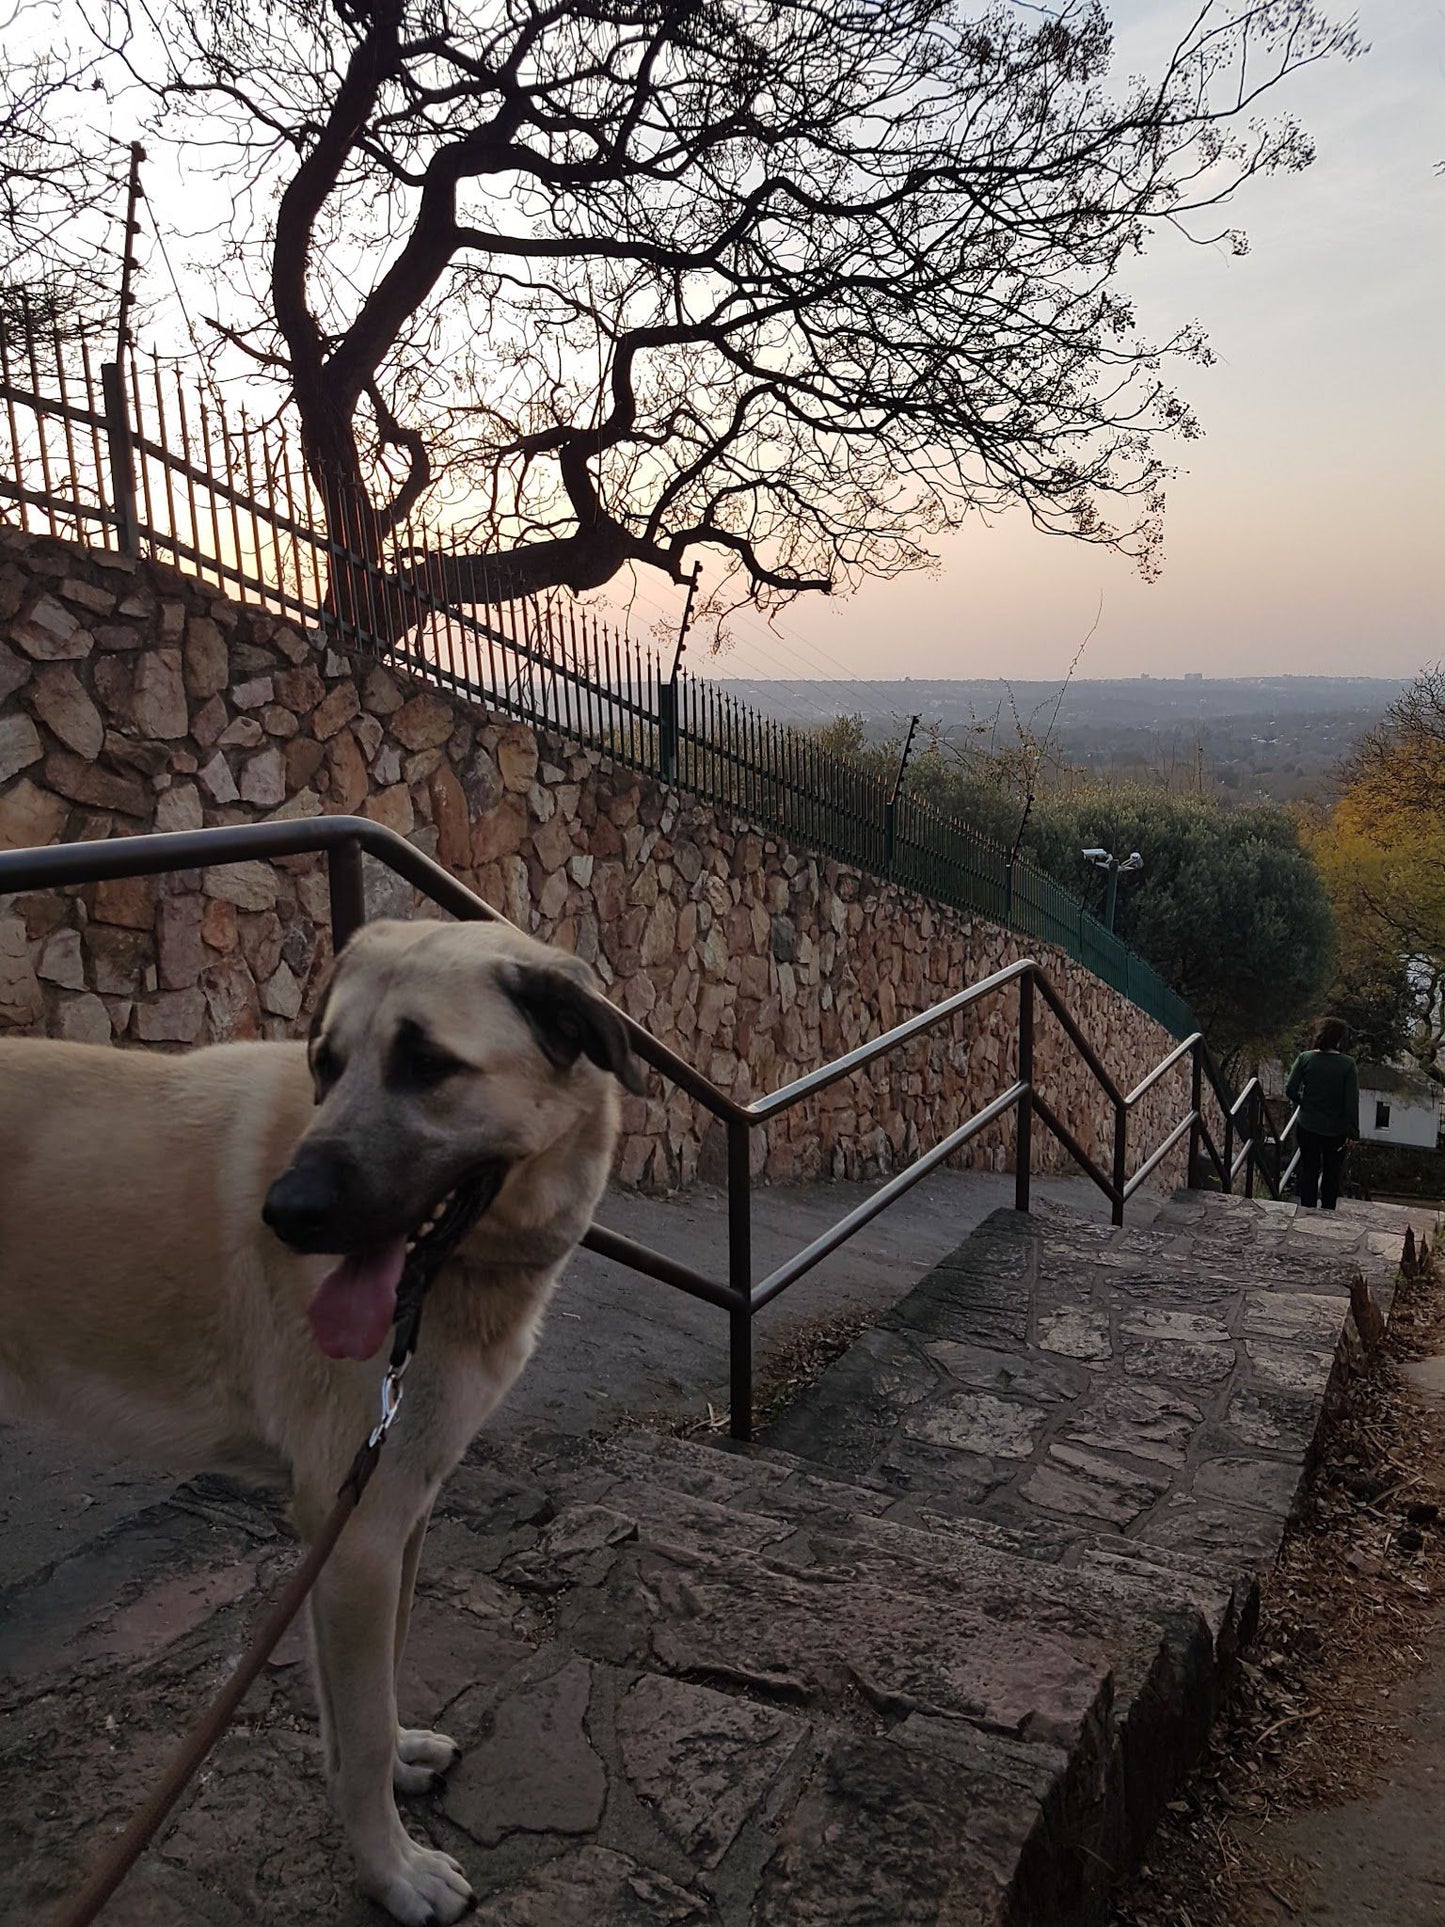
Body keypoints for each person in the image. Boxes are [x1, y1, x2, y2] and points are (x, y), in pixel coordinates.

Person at [1284, 1017, 1359, 1211]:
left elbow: (1290, 1089)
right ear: (1339, 1039)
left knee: (1309, 1168)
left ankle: (1307, 1209)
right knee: (1331, 1173)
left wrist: (1305, 1102)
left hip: (1307, 1123)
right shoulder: (1348, 1065)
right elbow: (1351, 1101)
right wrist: (1353, 1131)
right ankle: (1327, 1211)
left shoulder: (1305, 1058)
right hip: (1336, 1129)